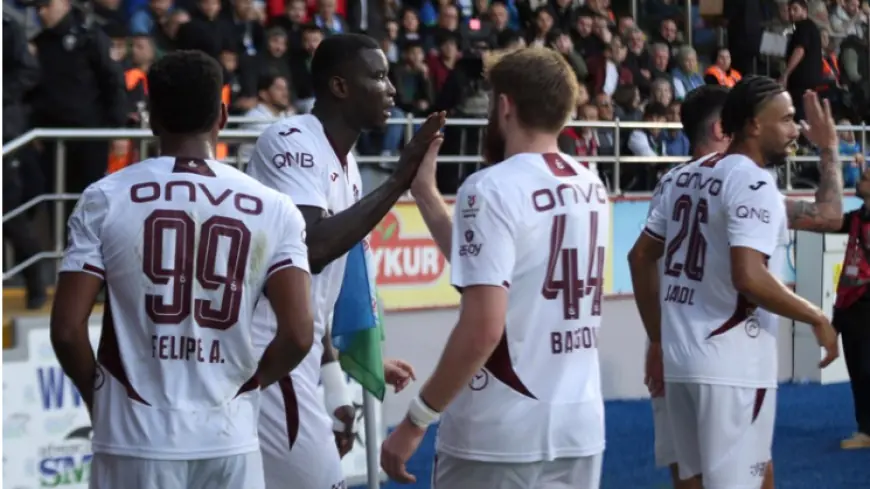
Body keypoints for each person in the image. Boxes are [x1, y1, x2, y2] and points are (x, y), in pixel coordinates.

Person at [48, 51, 316, 488]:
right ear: (223, 116)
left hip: (134, 436)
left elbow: (65, 330)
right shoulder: (275, 207)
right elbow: (299, 333)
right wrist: (251, 386)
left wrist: (99, 401)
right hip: (229, 436)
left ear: (152, 118)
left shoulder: (105, 196)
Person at [381, 47, 608, 488]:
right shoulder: (591, 184)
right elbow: (491, 270)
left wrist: (416, 419)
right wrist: (427, 195)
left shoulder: (489, 187)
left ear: (504, 105)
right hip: (578, 426)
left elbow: (484, 326)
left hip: (499, 432)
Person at [245, 33, 441, 489]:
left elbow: (316, 299)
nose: (391, 89)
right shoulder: (289, 140)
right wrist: (398, 182)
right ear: (339, 86)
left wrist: (335, 386)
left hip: (298, 354)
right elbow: (310, 248)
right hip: (268, 354)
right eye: (377, 76)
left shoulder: (348, 165)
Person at [628, 76, 841, 489]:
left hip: (679, 358)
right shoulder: (754, 182)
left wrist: (657, 337)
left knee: (691, 477)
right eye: (788, 120)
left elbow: (640, 257)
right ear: (753, 125)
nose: (794, 129)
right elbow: (749, 275)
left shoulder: (678, 178)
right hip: (731, 363)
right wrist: (816, 316)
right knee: (748, 477)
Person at [832, 167, 870, 450]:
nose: (859, 180)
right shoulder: (856, 217)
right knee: (857, 370)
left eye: (866, 177)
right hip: (850, 302)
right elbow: (824, 220)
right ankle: (865, 429)